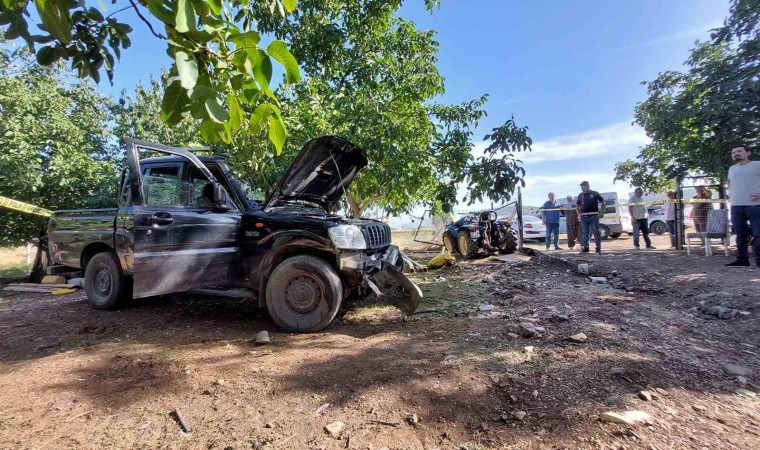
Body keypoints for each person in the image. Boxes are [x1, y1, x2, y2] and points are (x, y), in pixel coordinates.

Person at [725, 145, 760, 268]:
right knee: (740, 234)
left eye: (739, 151)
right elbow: (730, 184)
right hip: (736, 205)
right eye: (733, 152)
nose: (736, 153)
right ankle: (742, 259)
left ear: (748, 152)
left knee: (758, 234)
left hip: (755, 205)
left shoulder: (757, 165)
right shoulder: (732, 169)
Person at [576, 181, 605, 254]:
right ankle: (586, 248)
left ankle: (598, 248)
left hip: (594, 215)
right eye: (582, 188)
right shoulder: (580, 195)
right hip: (583, 216)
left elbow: (603, 201)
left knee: (596, 232)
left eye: (584, 188)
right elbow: (577, 205)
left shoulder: (595, 193)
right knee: (585, 233)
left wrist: (602, 211)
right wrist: (579, 214)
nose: (583, 189)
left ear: (588, 187)